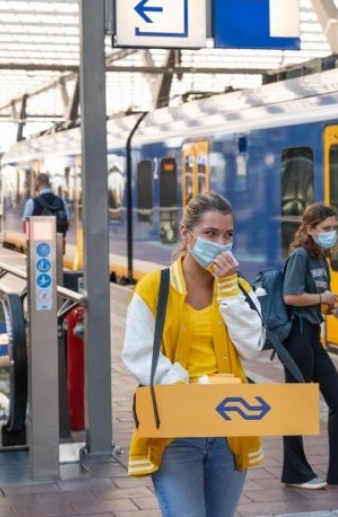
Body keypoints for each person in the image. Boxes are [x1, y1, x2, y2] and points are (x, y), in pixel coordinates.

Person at [122, 191, 265, 517]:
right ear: (186, 234)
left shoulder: (238, 287)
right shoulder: (153, 288)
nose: (221, 243)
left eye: (228, 235)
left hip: (231, 426)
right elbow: (138, 354)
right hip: (176, 429)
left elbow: (252, 347)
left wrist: (228, 289)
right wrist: (188, 389)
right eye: (210, 234)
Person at [280, 203, 338, 490]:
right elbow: (291, 297)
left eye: (334, 228)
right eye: (326, 228)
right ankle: (296, 473)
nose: (332, 233)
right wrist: (323, 299)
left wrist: (335, 309)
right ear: (309, 229)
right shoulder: (300, 256)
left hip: (312, 336)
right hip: (296, 338)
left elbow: (318, 299)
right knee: (296, 407)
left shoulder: (321, 258)